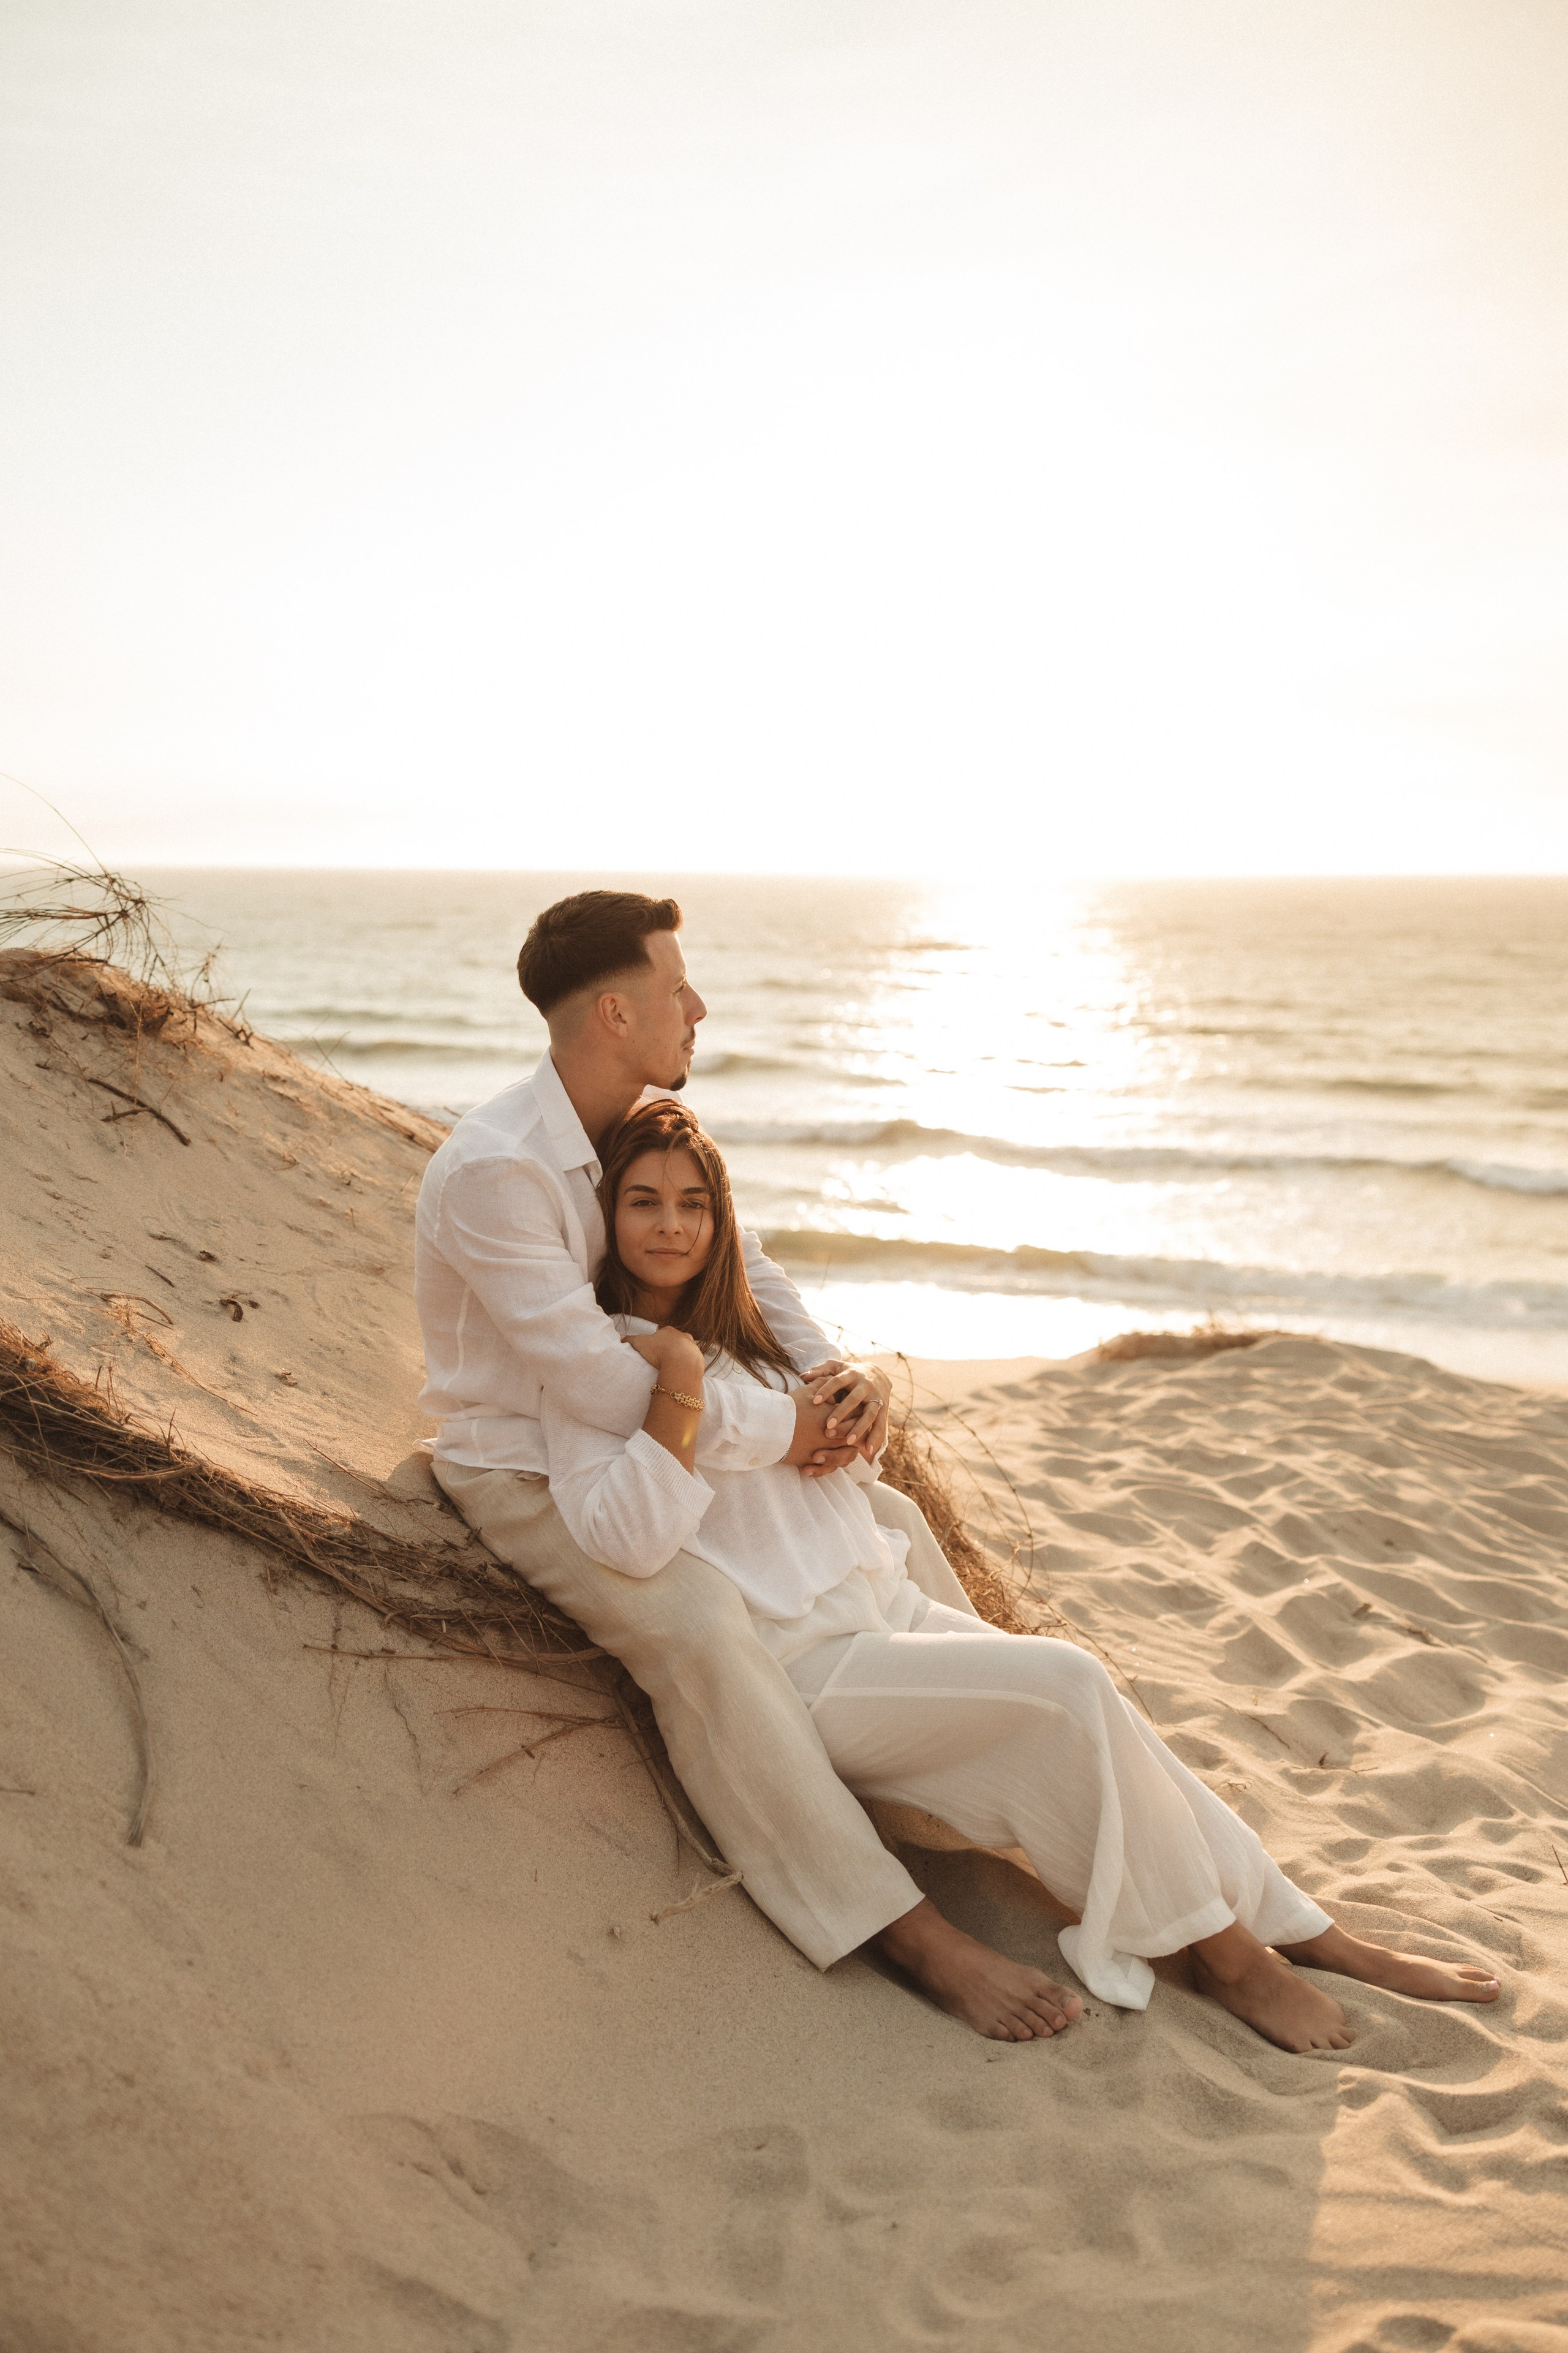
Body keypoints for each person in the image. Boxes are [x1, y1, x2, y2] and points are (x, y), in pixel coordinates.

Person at [534, 1091, 1505, 2053]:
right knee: (1067, 1680)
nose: (670, 1225)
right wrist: (679, 1385)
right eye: (645, 1201)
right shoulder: (607, 1367)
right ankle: (1231, 1957)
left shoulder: (752, 1325)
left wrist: (855, 1398)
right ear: (608, 1217)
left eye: (692, 1204)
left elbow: (855, 1461)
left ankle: (1310, 1929)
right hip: (806, 1663)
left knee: (1106, 1710)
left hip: (885, 1600)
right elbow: (631, 1536)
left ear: (721, 1218)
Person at [417, 888, 985, 2003]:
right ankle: (896, 1925)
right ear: (619, 1012)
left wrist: (843, 1381)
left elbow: (755, 1272)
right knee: (698, 1622)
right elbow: (602, 1383)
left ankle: (970, 1756)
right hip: (528, 1458)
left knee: (894, 1519)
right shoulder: (499, 1170)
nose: (701, 1006)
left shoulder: (626, 1132)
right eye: (680, 988)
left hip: (657, 1435)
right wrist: (787, 1431)